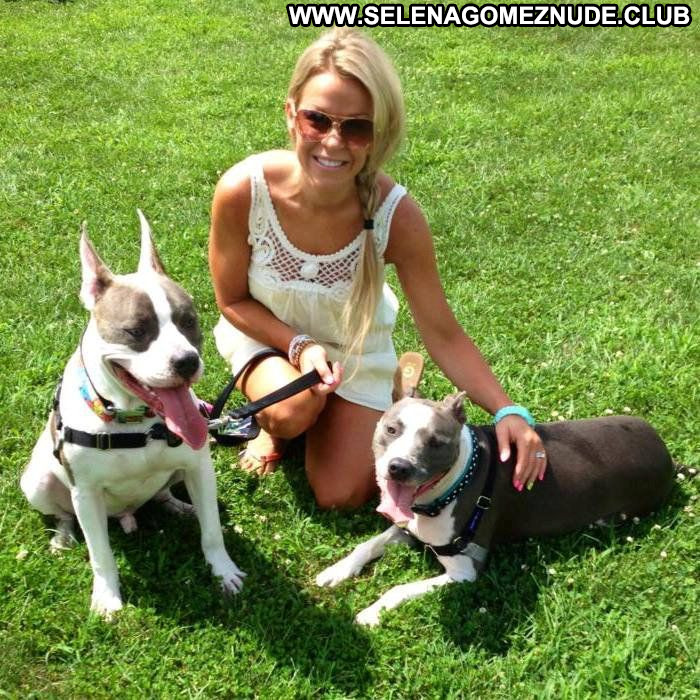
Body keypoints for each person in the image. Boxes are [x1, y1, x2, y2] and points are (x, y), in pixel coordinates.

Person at [208, 28, 547, 509]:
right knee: (289, 409)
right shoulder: (245, 189)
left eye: (357, 128)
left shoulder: (397, 216)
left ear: (379, 134)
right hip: (268, 338)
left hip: (353, 352)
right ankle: (279, 428)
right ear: (290, 114)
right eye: (317, 119)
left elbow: (442, 332)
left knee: (340, 495)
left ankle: (379, 393)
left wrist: (508, 410)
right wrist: (300, 347)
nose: (333, 141)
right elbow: (232, 301)